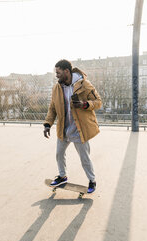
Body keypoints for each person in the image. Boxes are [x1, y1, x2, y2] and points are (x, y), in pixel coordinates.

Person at [43, 59, 102, 193]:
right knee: (59, 154)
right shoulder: (57, 88)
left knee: (84, 158)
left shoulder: (84, 85)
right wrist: (47, 124)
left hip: (79, 129)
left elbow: (98, 102)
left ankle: (92, 181)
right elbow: (52, 108)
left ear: (66, 71)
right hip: (64, 128)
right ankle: (62, 176)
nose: (56, 75)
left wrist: (84, 104)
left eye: (58, 73)